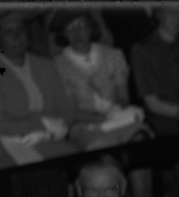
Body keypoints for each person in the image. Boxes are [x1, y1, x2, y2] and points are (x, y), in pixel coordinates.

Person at [0, 11, 87, 168]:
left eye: (21, 29)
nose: (17, 36)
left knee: (82, 163)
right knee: (38, 178)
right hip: (6, 149)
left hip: (49, 139)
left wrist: (52, 131)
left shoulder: (45, 65)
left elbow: (67, 110)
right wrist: (41, 123)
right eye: (8, 31)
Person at [50, 9, 149, 150]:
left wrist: (115, 109)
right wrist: (103, 119)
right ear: (63, 34)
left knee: (140, 137)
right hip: (84, 126)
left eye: (81, 25)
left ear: (91, 27)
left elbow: (124, 97)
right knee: (103, 146)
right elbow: (70, 112)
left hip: (118, 117)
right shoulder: (57, 66)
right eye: (70, 28)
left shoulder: (114, 55)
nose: (77, 32)